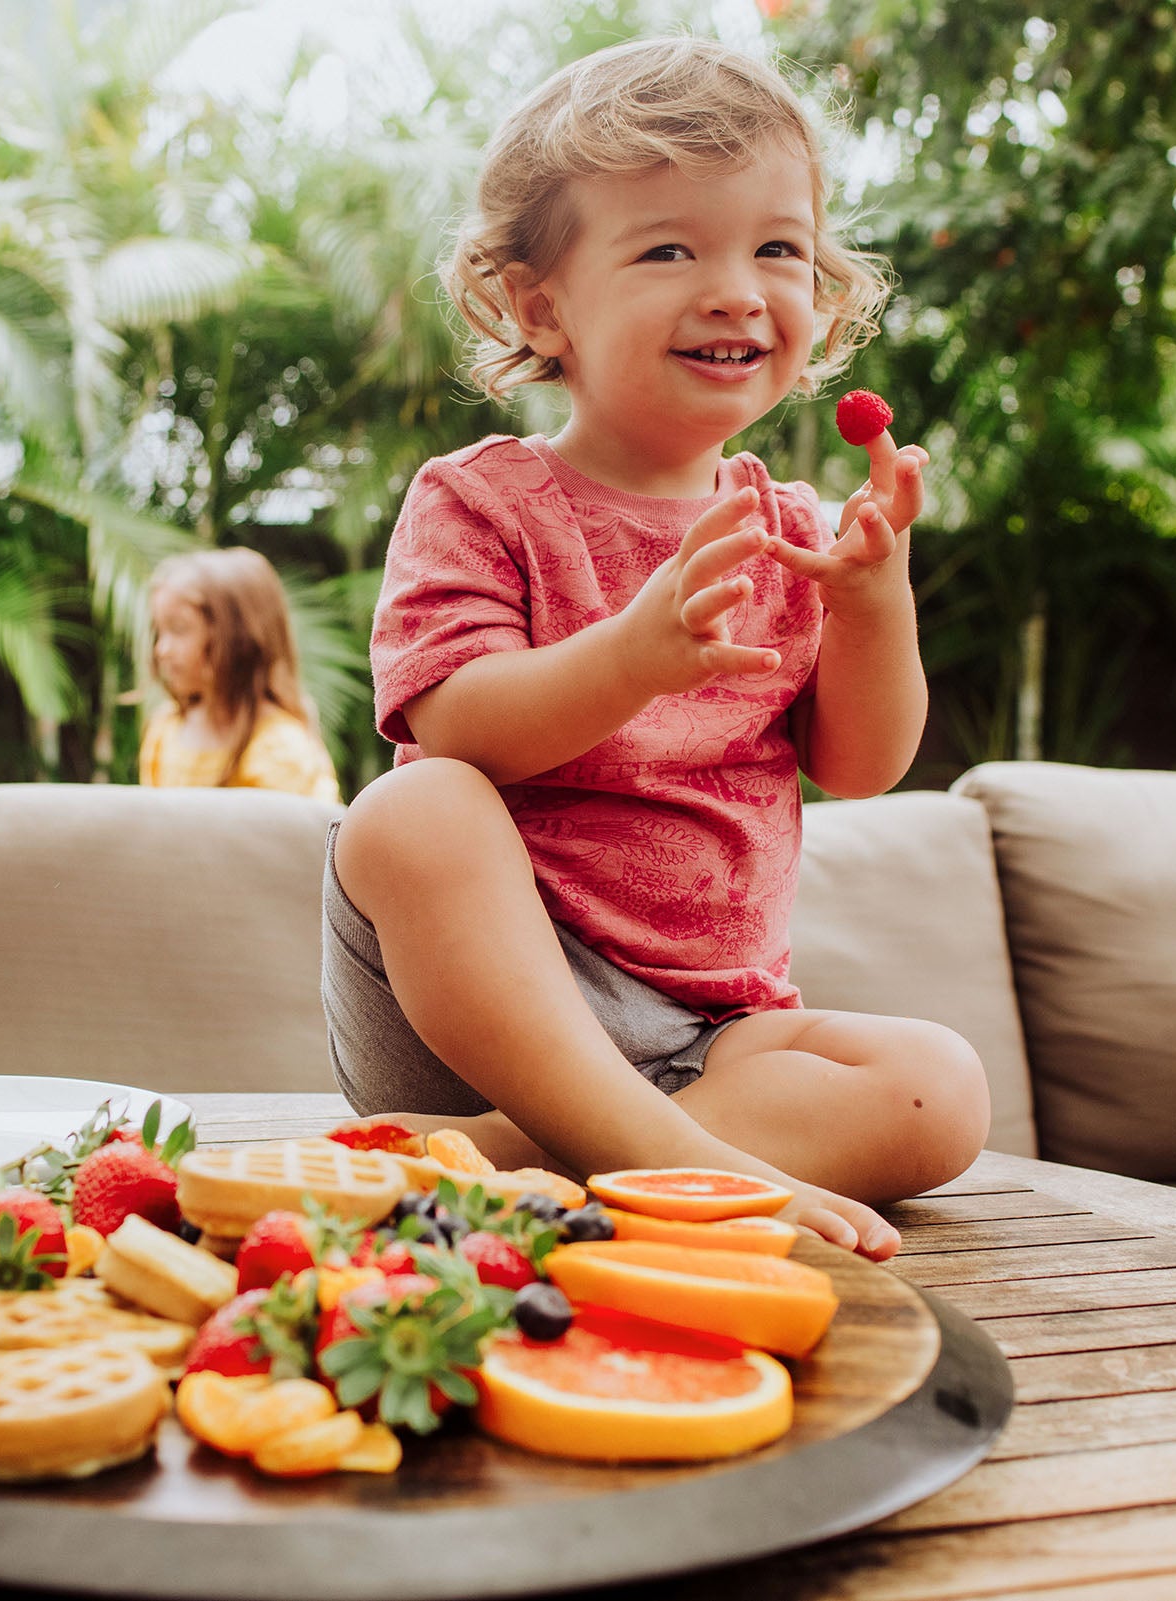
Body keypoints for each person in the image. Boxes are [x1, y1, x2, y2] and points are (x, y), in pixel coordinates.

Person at [323, 39, 989, 1261]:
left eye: (776, 248)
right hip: (485, 1015)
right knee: (409, 814)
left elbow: (863, 761)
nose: (738, 288)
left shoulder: (792, 530)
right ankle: (663, 1156)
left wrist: (877, 596)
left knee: (939, 1086)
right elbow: (456, 724)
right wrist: (631, 655)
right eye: (671, 248)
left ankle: (545, 1162)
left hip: (712, 1029)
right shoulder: (484, 499)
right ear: (540, 307)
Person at [138, 547, 340, 804]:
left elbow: (306, 837)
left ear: (237, 638)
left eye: (179, 629)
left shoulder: (280, 750)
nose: (161, 650)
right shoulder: (165, 729)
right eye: (160, 632)